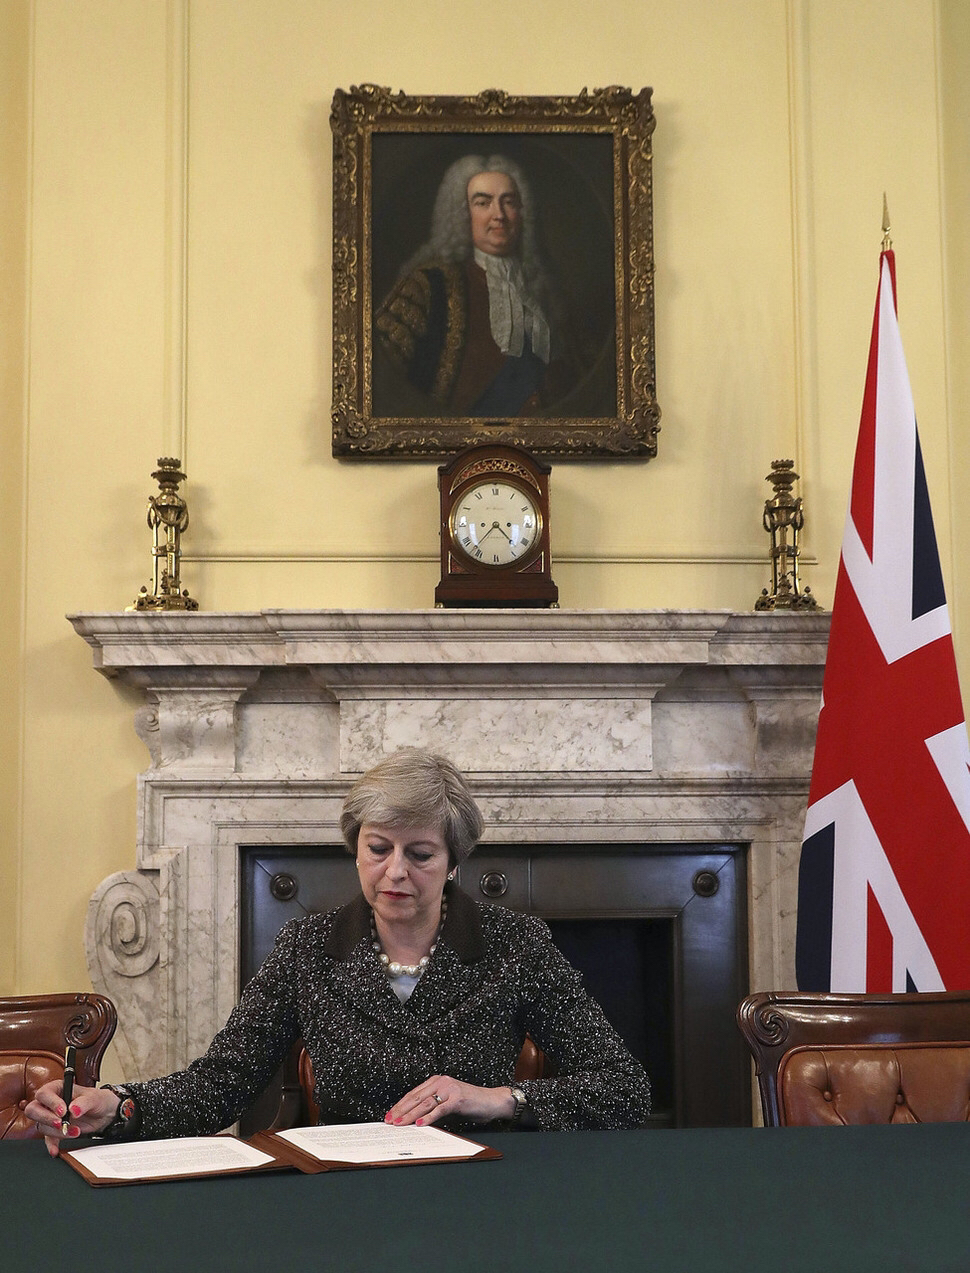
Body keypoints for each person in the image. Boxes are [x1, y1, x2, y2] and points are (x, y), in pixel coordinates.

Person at [25, 748, 651, 1151]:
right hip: (346, 1187)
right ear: (356, 849)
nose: (395, 872)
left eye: (421, 854)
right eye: (379, 849)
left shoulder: (516, 944)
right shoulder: (307, 947)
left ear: (454, 863)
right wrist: (118, 1105)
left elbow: (625, 1090)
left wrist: (494, 1099)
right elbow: (220, 1084)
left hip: (484, 1180)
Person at [373, 155, 579, 417]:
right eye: (483, 203)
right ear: (462, 214)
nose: (499, 215)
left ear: (523, 212)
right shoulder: (426, 286)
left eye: (509, 202)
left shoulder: (545, 291)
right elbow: (380, 378)